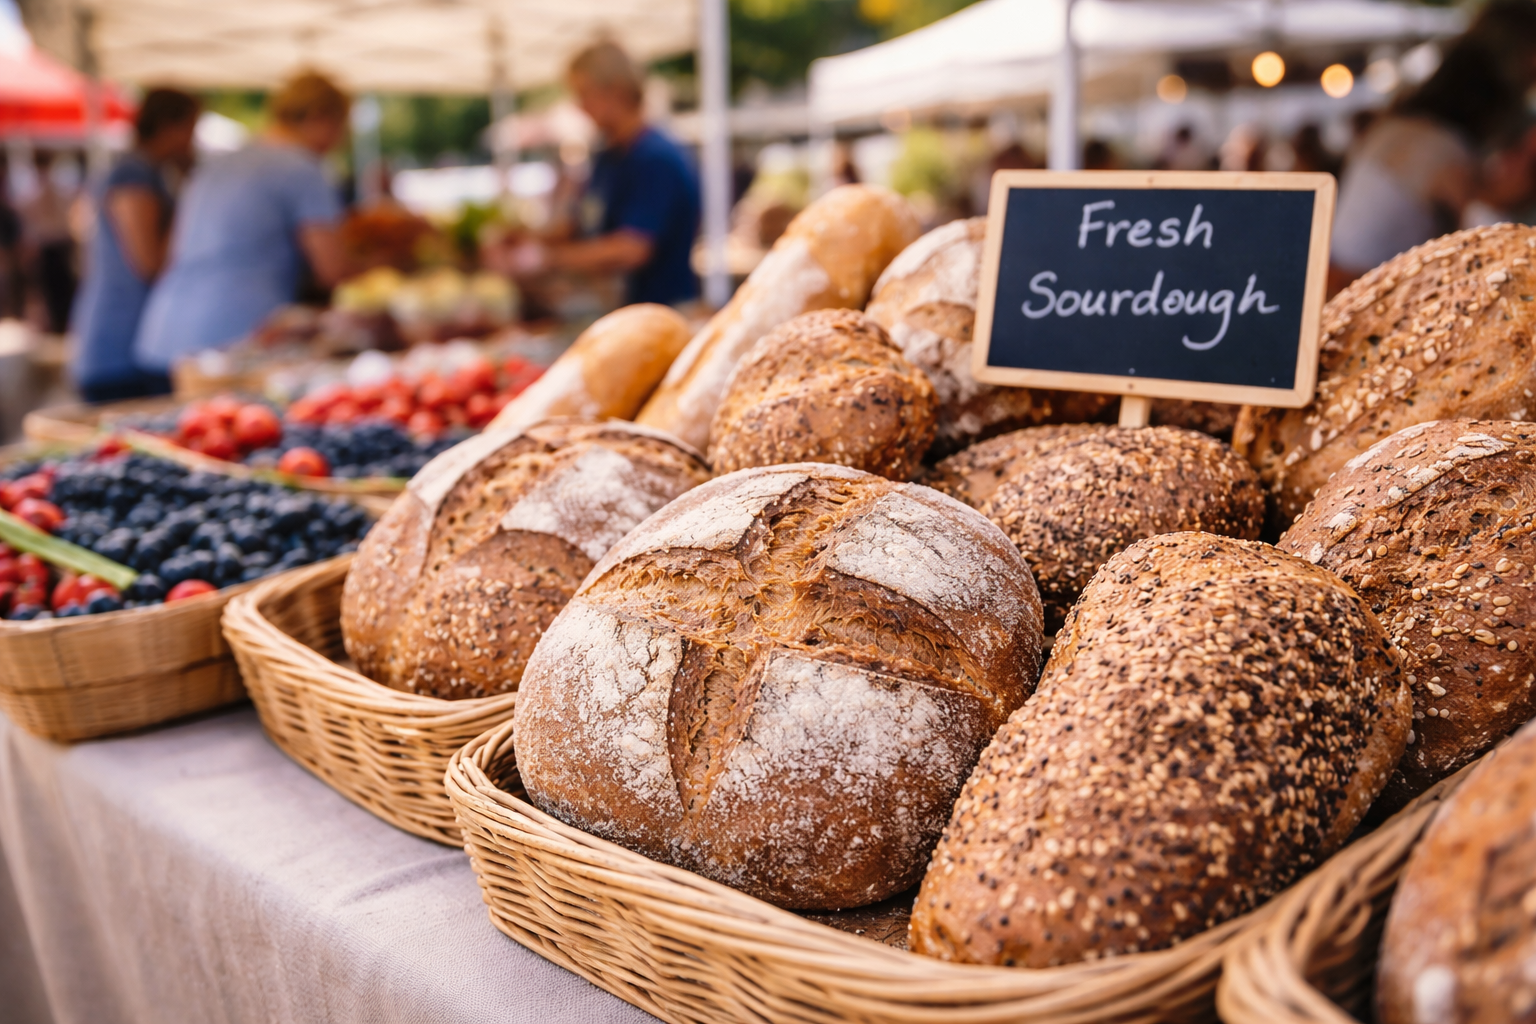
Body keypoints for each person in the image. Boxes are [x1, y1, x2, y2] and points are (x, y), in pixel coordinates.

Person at [135, 72, 355, 373]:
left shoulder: (219, 162)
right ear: (321, 117)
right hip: (230, 348)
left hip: (162, 336)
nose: (341, 140)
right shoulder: (303, 168)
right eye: (342, 127)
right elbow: (333, 270)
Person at [1330, 0, 1536, 290]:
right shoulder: (1441, 147)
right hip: (1364, 297)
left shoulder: (1398, 126)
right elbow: (1490, 244)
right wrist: (1509, 191)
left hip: (1344, 286)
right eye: (1529, 77)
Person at [490, 42, 701, 308]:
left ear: (615, 91)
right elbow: (581, 225)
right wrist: (530, 239)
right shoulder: (608, 156)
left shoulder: (655, 157)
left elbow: (631, 249)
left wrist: (546, 258)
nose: (580, 107)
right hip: (624, 309)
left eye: (584, 94)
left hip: (665, 311)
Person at [70, 88, 200, 402]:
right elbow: (149, 262)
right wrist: (193, 199)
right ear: (170, 126)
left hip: (125, 342)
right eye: (190, 129)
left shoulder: (142, 171)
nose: (192, 141)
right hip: (119, 346)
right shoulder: (133, 172)